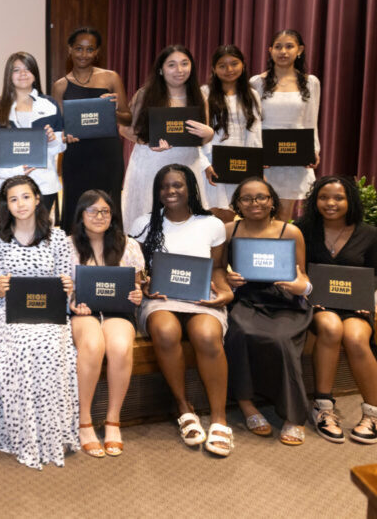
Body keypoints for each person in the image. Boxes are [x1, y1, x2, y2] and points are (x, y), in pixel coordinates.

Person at [130, 164, 234, 456]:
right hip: (161, 297)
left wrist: (225, 292)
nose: (171, 191)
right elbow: (136, 269)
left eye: (177, 185)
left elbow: (216, 269)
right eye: (164, 186)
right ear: (157, 191)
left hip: (202, 297)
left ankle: (219, 418)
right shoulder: (143, 223)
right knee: (164, 330)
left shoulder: (211, 224)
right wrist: (144, 284)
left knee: (206, 334)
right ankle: (184, 407)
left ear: (190, 188)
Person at [0, 175, 79, 469]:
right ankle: (23, 435)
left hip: (49, 314)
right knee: (22, 345)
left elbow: (68, 283)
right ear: (6, 204)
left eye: (25, 197)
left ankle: (51, 434)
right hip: (10, 313)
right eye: (13, 199)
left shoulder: (58, 237)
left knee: (52, 346)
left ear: (38, 199)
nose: (20, 204)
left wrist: (68, 286)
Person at [221, 177, 311, 444]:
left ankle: (294, 416)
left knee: (282, 341)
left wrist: (299, 287)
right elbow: (216, 269)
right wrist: (227, 281)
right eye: (246, 198)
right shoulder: (228, 230)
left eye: (261, 197)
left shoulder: (291, 232)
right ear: (237, 203)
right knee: (240, 333)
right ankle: (247, 404)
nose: (254, 203)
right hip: (246, 299)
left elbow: (302, 275)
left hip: (284, 300)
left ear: (272, 201)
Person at [296, 176, 377, 445]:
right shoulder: (303, 229)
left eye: (338, 198)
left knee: (355, 337)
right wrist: (307, 294)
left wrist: (369, 302)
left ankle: (373, 413)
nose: (330, 203)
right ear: (314, 201)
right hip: (316, 304)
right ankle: (323, 406)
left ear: (349, 200)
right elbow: (296, 271)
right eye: (324, 197)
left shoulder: (369, 234)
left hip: (356, 306)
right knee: (331, 327)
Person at [68, 189, 144, 457]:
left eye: (105, 211)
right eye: (92, 211)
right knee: (92, 344)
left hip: (118, 311)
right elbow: (63, 289)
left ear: (112, 216)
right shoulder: (68, 245)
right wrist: (72, 303)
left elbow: (137, 283)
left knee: (121, 346)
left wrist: (137, 293)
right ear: (81, 215)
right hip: (82, 312)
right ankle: (84, 421)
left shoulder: (129, 245)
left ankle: (113, 421)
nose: (99, 216)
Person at [121, 45, 214, 231]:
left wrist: (208, 134)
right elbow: (125, 129)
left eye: (184, 64)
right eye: (172, 65)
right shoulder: (145, 94)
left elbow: (200, 138)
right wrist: (148, 142)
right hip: (151, 163)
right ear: (161, 70)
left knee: (184, 217)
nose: (179, 70)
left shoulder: (199, 96)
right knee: (148, 216)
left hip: (188, 165)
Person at [51, 27, 131, 232]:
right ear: (70, 49)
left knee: (107, 203)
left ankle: (109, 254)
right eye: (78, 48)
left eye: (89, 49)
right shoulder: (60, 86)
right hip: (76, 155)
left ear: (97, 52)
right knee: (76, 203)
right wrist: (64, 136)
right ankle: (74, 257)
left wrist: (111, 110)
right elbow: (60, 127)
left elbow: (127, 118)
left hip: (107, 154)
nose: (83, 54)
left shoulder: (111, 78)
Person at [0, 52, 65, 222]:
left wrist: (51, 141)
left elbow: (60, 147)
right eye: (16, 70)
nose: (23, 74)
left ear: (34, 74)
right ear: (9, 75)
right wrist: (16, 171)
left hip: (43, 183)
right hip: (6, 183)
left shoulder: (49, 104)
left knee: (40, 234)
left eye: (28, 69)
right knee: (9, 234)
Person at [251, 29, 321, 222]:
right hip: (265, 158)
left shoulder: (311, 82)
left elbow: (311, 120)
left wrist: (313, 150)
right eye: (278, 47)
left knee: (283, 217)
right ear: (270, 50)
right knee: (260, 213)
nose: (283, 51)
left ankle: (278, 252)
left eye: (289, 46)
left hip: (295, 157)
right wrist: (255, 153)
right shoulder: (257, 82)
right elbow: (252, 123)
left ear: (300, 50)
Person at [201, 45, 262, 222]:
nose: (229, 70)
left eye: (234, 64)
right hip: (213, 160)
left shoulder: (251, 94)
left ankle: (227, 250)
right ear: (213, 68)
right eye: (222, 65)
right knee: (212, 214)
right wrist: (205, 162)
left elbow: (255, 132)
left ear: (243, 65)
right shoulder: (204, 93)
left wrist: (255, 164)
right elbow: (200, 132)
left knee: (231, 214)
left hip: (240, 161)